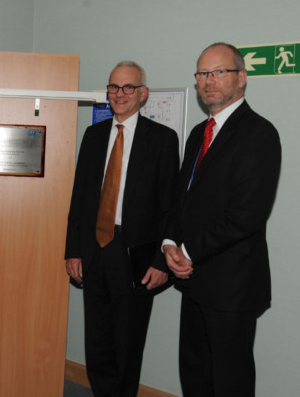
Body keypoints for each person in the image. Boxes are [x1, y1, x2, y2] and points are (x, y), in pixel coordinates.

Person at [163, 42, 281, 397]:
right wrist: (169, 242)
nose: (208, 81)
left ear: (241, 78)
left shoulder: (259, 134)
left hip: (232, 286)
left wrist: (187, 250)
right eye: (202, 73)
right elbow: (181, 199)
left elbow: (246, 215)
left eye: (219, 72)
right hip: (194, 280)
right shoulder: (200, 133)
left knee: (230, 381)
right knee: (195, 375)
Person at [65, 61, 179, 397]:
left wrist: (161, 261)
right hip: (93, 250)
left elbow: (171, 207)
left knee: (128, 342)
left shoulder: (162, 139)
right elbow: (80, 196)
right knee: (97, 339)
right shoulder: (93, 135)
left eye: (128, 87)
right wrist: (73, 249)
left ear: (143, 94)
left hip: (135, 255)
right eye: (114, 87)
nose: (120, 94)